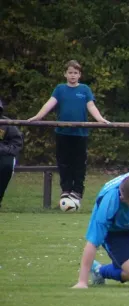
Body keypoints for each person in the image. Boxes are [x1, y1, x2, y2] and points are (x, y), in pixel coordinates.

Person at [28, 60, 110, 206]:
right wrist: (38, 116)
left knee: (79, 164)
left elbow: (91, 106)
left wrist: (100, 119)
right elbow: (49, 103)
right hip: (63, 132)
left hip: (80, 134)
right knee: (64, 162)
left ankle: (77, 190)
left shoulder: (85, 89)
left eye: (76, 73)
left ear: (80, 75)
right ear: (65, 74)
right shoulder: (60, 89)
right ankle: (65, 189)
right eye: (70, 73)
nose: (73, 75)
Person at [0, 99, 24, 208]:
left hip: (3, 156)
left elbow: (17, 143)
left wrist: (2, 149)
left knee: (7, 164)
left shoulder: (7, 124)